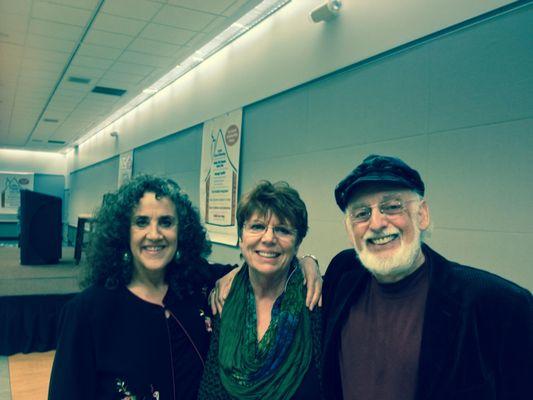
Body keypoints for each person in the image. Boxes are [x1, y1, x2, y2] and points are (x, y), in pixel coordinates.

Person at [48, 175, 321, 400]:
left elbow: (260, 265)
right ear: (123, 231)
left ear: (182, 230)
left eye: (166, 222)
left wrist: (308, 263)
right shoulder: (88, 312)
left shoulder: (195, 287)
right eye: (142, 222)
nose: (154, 234)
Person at [322, 155, 532, 400]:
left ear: (421, 215)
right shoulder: (342, 276)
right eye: (362, 213)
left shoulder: (500, 306)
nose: (377, 223)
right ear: (350, 230)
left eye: (392, 206)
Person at [198, 181, 323, 400]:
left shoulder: (316, 302)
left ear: (297, 242)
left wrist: (310, 261)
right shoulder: (220, 298)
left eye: (282, 230)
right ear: (241, 236)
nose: (268, 238)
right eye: (257, 227)